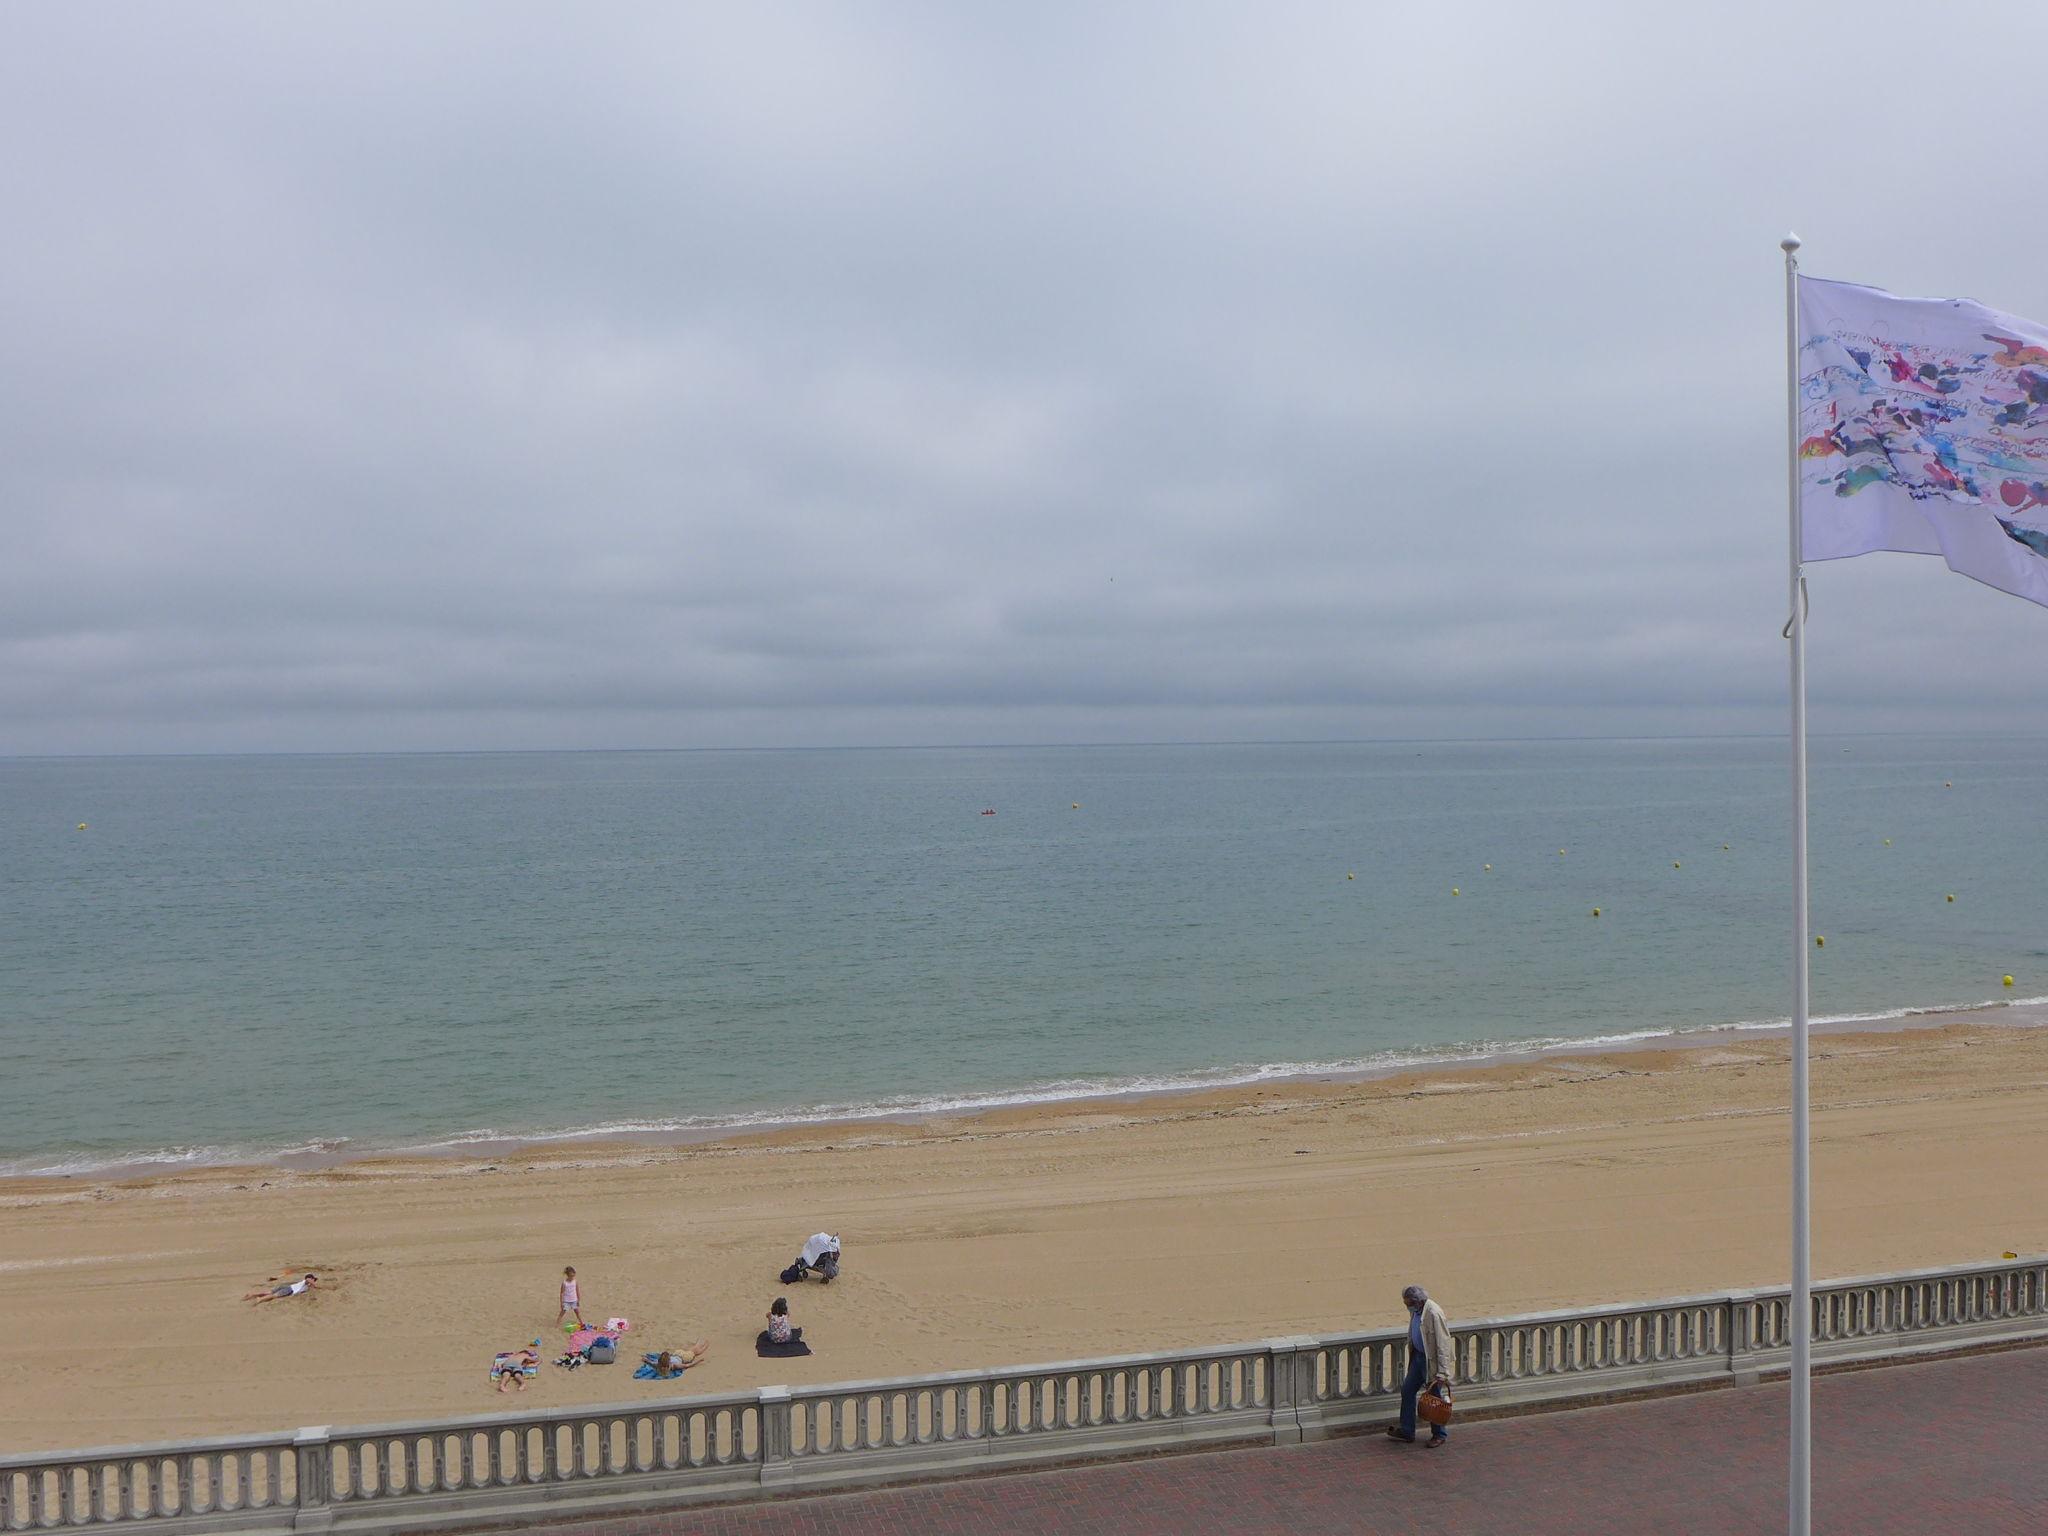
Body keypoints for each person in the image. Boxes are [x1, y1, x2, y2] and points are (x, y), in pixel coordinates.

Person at [1386, 1283, 1454, 1447]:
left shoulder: (1433, 1313)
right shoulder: (1417, 1311)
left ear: (1417, 1301)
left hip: (1430, 1361)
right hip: (1418, 1358)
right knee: (1407, 1390)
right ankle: (1407, 1430)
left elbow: (1443, 1343)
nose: (1407, 1307)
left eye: (1408, 1303)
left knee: (1434, 1398)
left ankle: (1439, 1434)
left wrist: (1442, 1372)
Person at [242, 1272, 318, 1303]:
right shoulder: (306, 1282)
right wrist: (315, 1285)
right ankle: (260, 1299)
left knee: (268, 1292)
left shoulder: (305, 1286)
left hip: (287, 1287)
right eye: (313, 1279)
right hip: (289, 1289)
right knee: (273, 1296)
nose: (314, 1281)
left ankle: (252, 1295)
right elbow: (308, 1280)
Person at [558, 1266, 584, 1331]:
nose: (572, 1277)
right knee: (562, 1312)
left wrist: (578, 1299)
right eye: (571, 1276)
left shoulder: (575, 1281)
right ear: (568, 1275)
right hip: (566, 1301)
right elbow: (561, 1293)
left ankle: (581, 1323)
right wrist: (561, 1303)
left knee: (577, 1312)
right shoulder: (564, 1283)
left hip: (574, 1300)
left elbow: (577, 1290)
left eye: (573, 1276)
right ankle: (557, 1323)